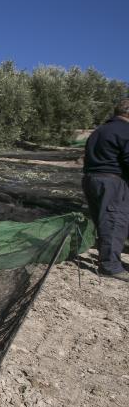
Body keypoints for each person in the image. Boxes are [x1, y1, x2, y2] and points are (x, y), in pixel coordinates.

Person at [82, 98, 129, 281]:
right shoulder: (125, 130)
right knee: (114, 221)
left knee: (105, 221)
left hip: (91, 179)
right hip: (111, 181)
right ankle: (110, 267)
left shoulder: (99, 130)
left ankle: (108, 258)